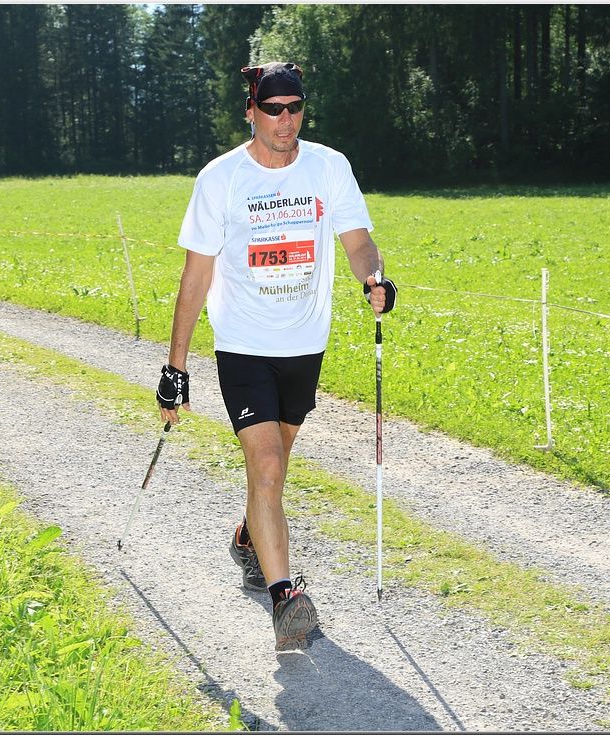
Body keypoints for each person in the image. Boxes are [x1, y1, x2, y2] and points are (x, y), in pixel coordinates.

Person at [155, 61, 397, 651]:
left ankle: (247, 538)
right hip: (243, 345)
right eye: (273, 109)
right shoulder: (221, 179)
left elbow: (358, 243)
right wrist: (175, 365)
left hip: (303, 344)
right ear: (251, 112)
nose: (285, 120)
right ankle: (285, 596)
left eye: (294, 108)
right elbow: (195, 276)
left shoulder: (329, 167)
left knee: (276, 468)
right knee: (265, 468)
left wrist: (374, 278)